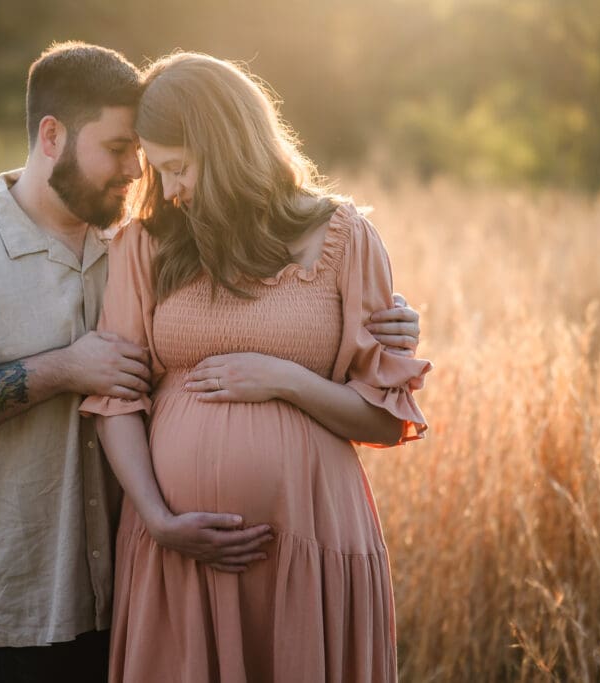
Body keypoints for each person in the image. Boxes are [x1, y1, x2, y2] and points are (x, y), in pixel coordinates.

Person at [0, 42, 422, 682]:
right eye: (122, 152)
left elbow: (376, 402)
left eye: (156, 163)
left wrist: (312, 363)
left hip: (248, 557)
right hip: (56, 588)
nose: (143, 180)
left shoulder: (135, 238)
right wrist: (69, 375)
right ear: (52, 137)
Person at [80, 52, 432, 683]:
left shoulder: (344, 238)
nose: (171, 189)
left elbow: (384, 421)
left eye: (179, 167)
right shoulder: (146, 245)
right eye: (159, 172)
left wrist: (285, 379)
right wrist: (159, 520)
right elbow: (116, 400)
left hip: (309, 544)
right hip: (176, 552)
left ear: (227, 146)